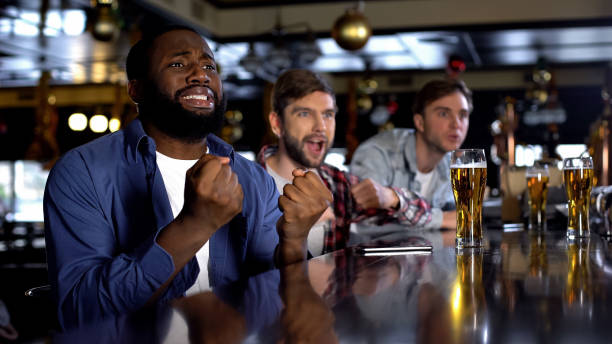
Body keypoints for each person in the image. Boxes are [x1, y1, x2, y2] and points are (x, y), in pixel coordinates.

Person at [43, 25, 332, 330]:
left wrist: (295, 239)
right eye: (178, 64)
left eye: (209, 66)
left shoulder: (251, 178)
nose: (201, 75)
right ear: (137, 89)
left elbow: (280, 299)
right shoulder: (82, 171)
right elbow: (79, 313)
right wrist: (195, 225)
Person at [257, 69, 436, 256]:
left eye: (327, 114)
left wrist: (391, 197)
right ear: (277, 123)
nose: (321, 127)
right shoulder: (247, 184)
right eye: (304, 113)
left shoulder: (338, 183)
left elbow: (423, 215)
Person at [350, 79, 473, 229]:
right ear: (420, 122)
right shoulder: (377, 153)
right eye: (443, 114)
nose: (456, 124)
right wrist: (440, 220)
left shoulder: (452, 165)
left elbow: (465, 219)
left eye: (463, 115)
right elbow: (367, 223)